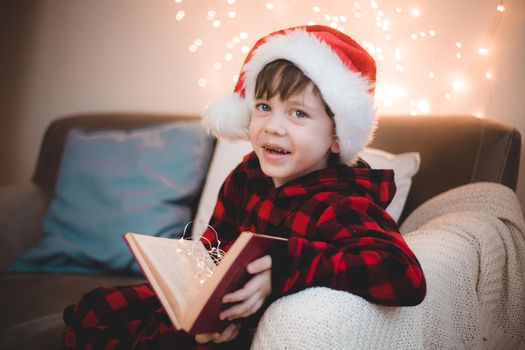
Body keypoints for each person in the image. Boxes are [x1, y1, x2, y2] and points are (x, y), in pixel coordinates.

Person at [63, 25, 426, 349]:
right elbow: (214, 245)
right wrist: (197, 295)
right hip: (221, 308)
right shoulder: (248, 174)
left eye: (298, 113)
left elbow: (403, 275)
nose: (273, 127)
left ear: (337, 136)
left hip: (253, 326)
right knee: (93, 308)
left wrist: (283, 266)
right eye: (264, 106)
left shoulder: (341, 202)